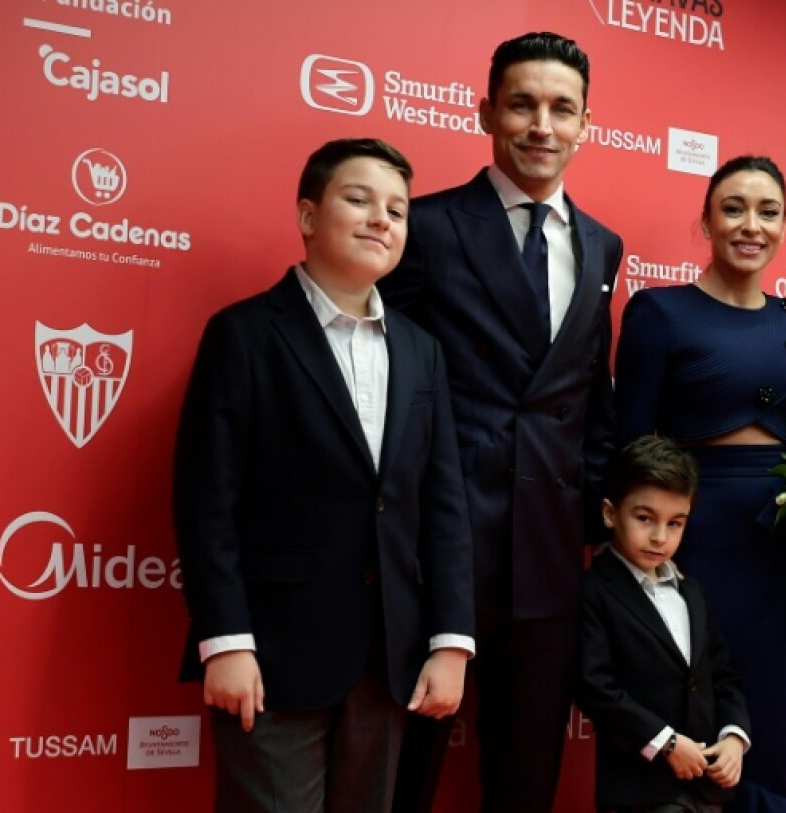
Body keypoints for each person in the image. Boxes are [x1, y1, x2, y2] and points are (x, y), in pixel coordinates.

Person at [173, 138, 474, 813]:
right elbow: (206, 501)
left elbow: (443, 502)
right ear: (308, 216)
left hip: (390, 658)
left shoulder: (423, 351)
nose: (381, 219)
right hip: (272, 655)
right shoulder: (244, 334)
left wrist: (451, 640)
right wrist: (225, 640)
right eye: (359, 199)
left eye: (397, 209)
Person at [378, 30, 623, 813]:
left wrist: (592, 518)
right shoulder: (427, 226)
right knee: (400, 775)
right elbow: (388, 386)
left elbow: (591, 393)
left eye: (561, 108)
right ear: (487, 111)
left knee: (525, 781)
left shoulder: (602, 246)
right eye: (522, 104)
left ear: (588, 123)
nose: (541, 125)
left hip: (549, 555)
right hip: (435, 551)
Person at [613, 155, 786, 813]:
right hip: (692, 545)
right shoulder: (659, 313)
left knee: (780, 732)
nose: (750, 224)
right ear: (705, 220)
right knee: (694, 733)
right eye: (733, 207)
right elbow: (631, 444)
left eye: (768, 211)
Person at [576, 435, 752, 813]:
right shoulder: (594, 590)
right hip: (639, 790)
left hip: (705, 788)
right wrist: (666, 742)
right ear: (610, 513)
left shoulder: (692, 592)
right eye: (644, 519)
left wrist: (734, 737)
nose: (659, 537)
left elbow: (722, 676)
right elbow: (595, 686)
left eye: (675, 523)